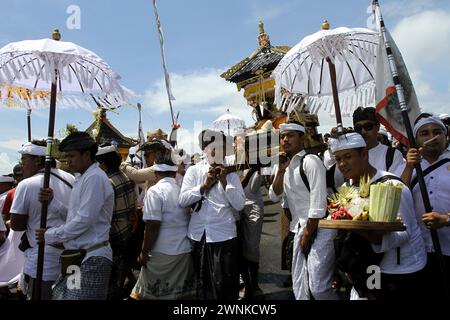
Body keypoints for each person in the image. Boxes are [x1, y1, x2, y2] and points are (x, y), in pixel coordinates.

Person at [331, 132, 427, 299]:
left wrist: (372, 235)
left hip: (400, 269)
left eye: (347, 157)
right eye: (338, 159)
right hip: (370, 267)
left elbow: (406, 232)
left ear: (364, 154)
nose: (342, 164)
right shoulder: (348, 190)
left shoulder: (392, 186)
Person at [35, 132, 114, 300]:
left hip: (92, 257)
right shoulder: (82, 177)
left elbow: (84, 221)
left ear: (87, 155)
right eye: (66, 156)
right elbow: (75, 216)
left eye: (71, 156)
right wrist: (53, 202)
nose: (68, 160)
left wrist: (50, 235)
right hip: (77, 257)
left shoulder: (94, 178)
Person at [269, 121, 337, 300]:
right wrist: (281, 171)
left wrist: (307, 235)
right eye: (282, 137)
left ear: (302, 138)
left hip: (319, 229)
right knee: (301, 285)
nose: (285, 140)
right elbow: (274, 196)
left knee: (319, 288)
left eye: (290, 135)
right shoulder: (282, 165)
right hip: (298, 229)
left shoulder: (311, 161)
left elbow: (318, 205)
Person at [179, 129, 245, 300]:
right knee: (200, 286)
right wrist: (204, 186)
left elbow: (239, 205)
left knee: (225, 286)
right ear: (204, 149)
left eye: (221, 146)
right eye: (212, 146)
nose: (216, 150)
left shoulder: (231, 175)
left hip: (224, 236)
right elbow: (183, 200)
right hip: (198, 235)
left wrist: (224, 182)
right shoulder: (193, 171)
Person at [10, 141, 75, 300]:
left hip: (44, 263)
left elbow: (16, 225)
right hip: (73, 258)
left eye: (24, 159)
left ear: (38, 160)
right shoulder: (72, 179)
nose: (22, 165)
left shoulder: (26, 185)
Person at [400, 115, 450, 298]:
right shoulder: (405, 167)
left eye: (437, 132)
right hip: (417, 252)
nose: (431, 137)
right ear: (416, 139)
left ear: (446, 136)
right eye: (424, 133)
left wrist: (446, 219)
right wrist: (409, 167)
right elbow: (396, 199)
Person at [131, 158, 195, 299]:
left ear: (155, 174)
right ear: (173, 174)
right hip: (183, 251)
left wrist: (144, 252)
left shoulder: (155, 191)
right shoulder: (181, 190)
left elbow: (153, 225)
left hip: (161, 253)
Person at [95, 144, 136, 299]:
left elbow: (104, 215)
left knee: (112, 280)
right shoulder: (125, 177)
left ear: (103, 164)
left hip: (113, 235)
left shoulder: (107, 182)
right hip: (126, 230)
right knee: (121, 269)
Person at [353, 107, 405, 174]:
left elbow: (396, 183)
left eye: (368, 127)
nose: (363, 131)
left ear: (377, 127)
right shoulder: (351, 156)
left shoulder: (392, 155)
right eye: (359, 128)